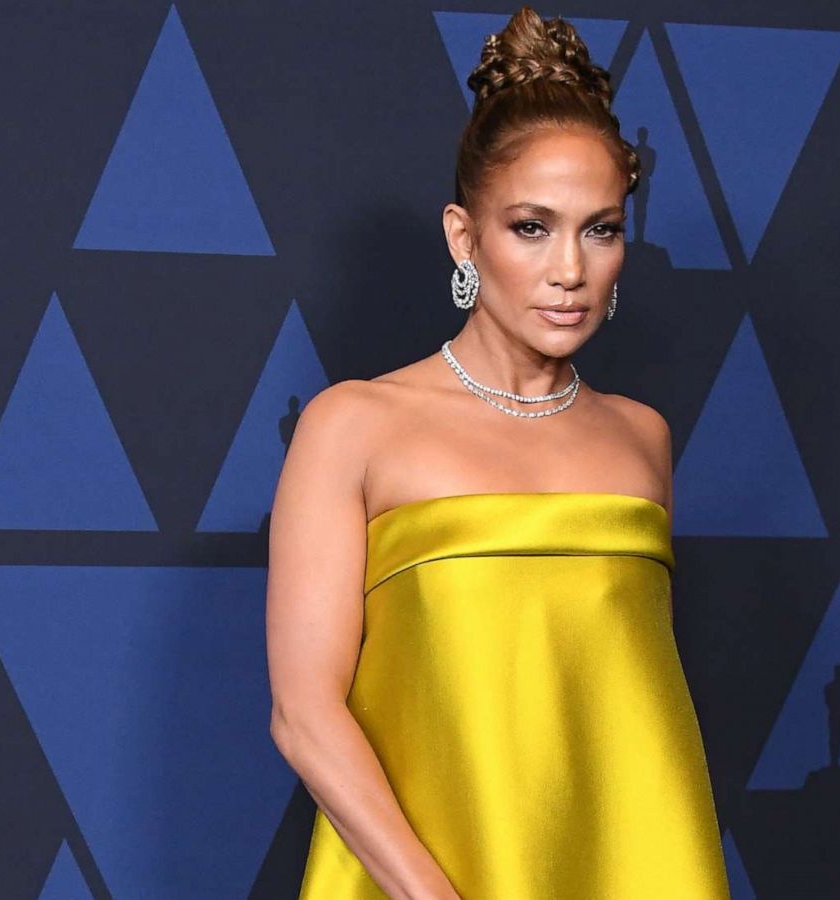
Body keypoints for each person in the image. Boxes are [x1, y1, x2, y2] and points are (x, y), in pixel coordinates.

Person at [266, 7, 729, 897]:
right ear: (463, 237)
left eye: (600, 228)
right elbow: (303, 712)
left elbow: (628, 712)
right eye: (531, 227)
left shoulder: (642, 439)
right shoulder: (356, 424)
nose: (570, 269)